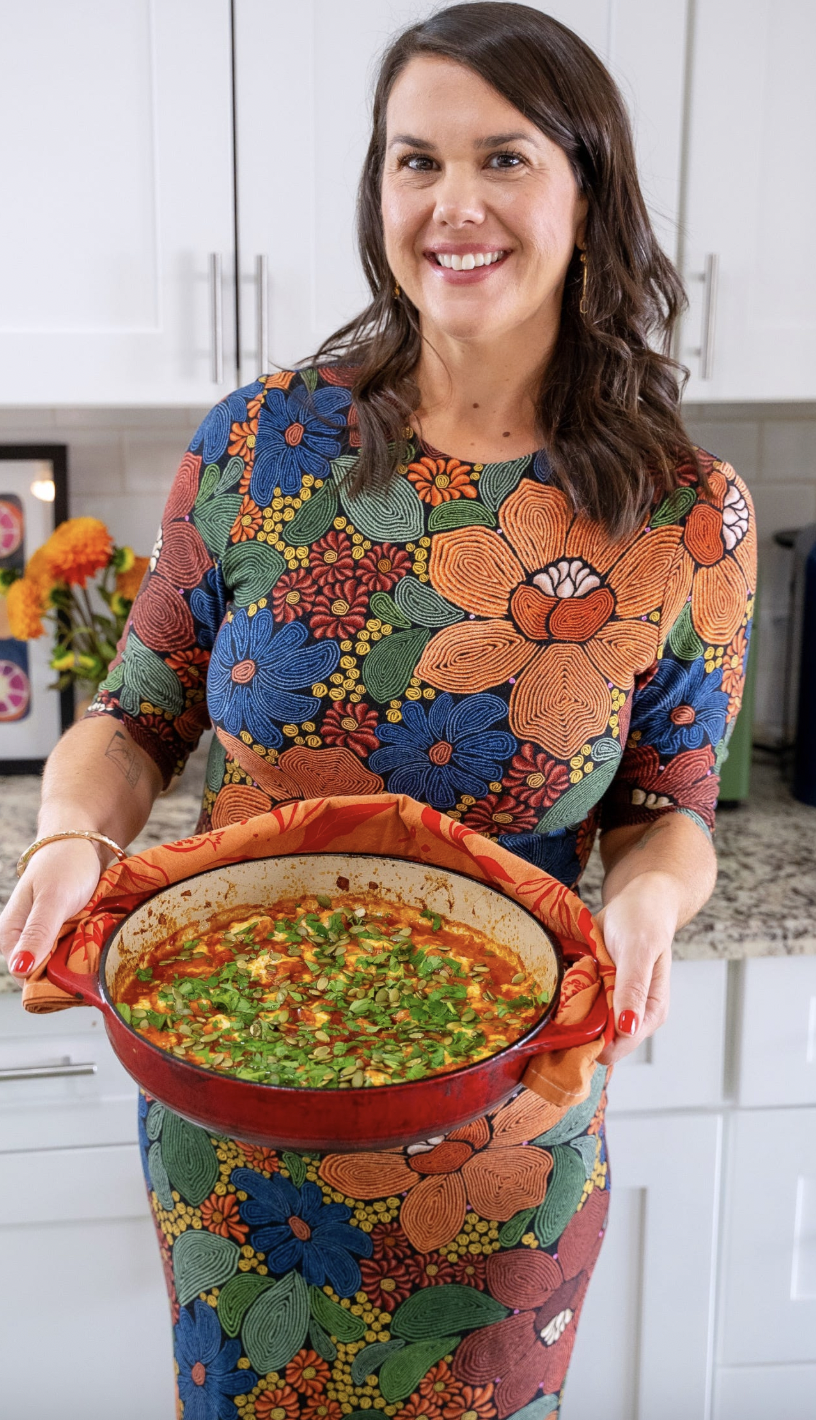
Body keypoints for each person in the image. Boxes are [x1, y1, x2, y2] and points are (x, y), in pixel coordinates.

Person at [0, 4, 755, 1416]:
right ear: (379, 195)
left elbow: (674, 809)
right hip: (234, 1121)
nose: (452, 204)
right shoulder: (259, 443)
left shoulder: (682, 514)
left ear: (588, 194)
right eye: (416, 162)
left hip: (505, 1133)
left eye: (504, 159)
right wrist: (65, 841)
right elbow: (136, 712)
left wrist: (647, 912)